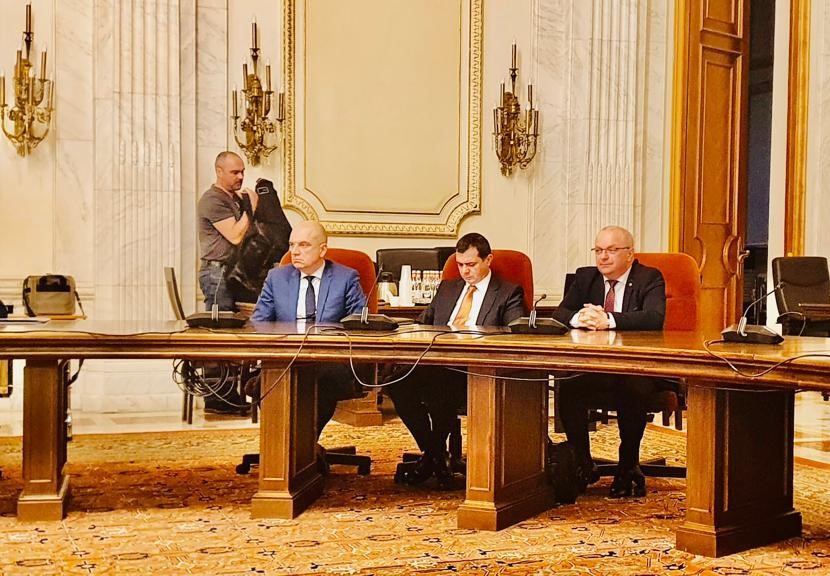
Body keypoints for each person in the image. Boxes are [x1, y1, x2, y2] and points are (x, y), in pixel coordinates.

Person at [386, 233, 524, 490]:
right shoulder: (448, 288)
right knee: (397, 383)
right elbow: (424, 323)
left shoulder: (508, 292)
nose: (465, 271)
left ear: (488, 260)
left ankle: (432, 458)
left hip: (476, 370)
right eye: (460, 265)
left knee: (442, 388)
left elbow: (513, 334)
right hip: (437, 363)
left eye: (471, 264)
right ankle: (436, 454)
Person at [552, 225, 666, 498]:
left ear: (630, 254)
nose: (603, 257)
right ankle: (582, 462)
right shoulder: (586, 277)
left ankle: (628, 465)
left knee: (633, 388)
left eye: (611, 250)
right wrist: (580, 317)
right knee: (569, 387)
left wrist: (609, 320)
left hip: (640, 368)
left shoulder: (649, 277)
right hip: (596, 367)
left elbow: (654, 318)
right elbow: (560, 313)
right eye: (599, 250)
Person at [251, 220, 366, 439]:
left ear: (322, 250)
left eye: (303, 245)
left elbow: (360, 323)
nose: (294, 251)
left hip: (329, 358)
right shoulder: (276, 278)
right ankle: (282, 445)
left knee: (323, 380)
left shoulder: (346, 278)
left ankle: (306, 443)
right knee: (264, 383)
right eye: (292, 245)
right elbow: (259, 322)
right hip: (286, 357)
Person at [196, 151, 259, 414]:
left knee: (231, 334)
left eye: (242, 171)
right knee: (219, 335)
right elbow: (234, 235)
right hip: (217, 274)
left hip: (230, 273)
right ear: (219, 171)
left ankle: (230, 395)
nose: (241, 176)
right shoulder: (212, 199)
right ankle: (217, 399)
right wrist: (251, 207)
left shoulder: (232, 198)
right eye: (235, 172)